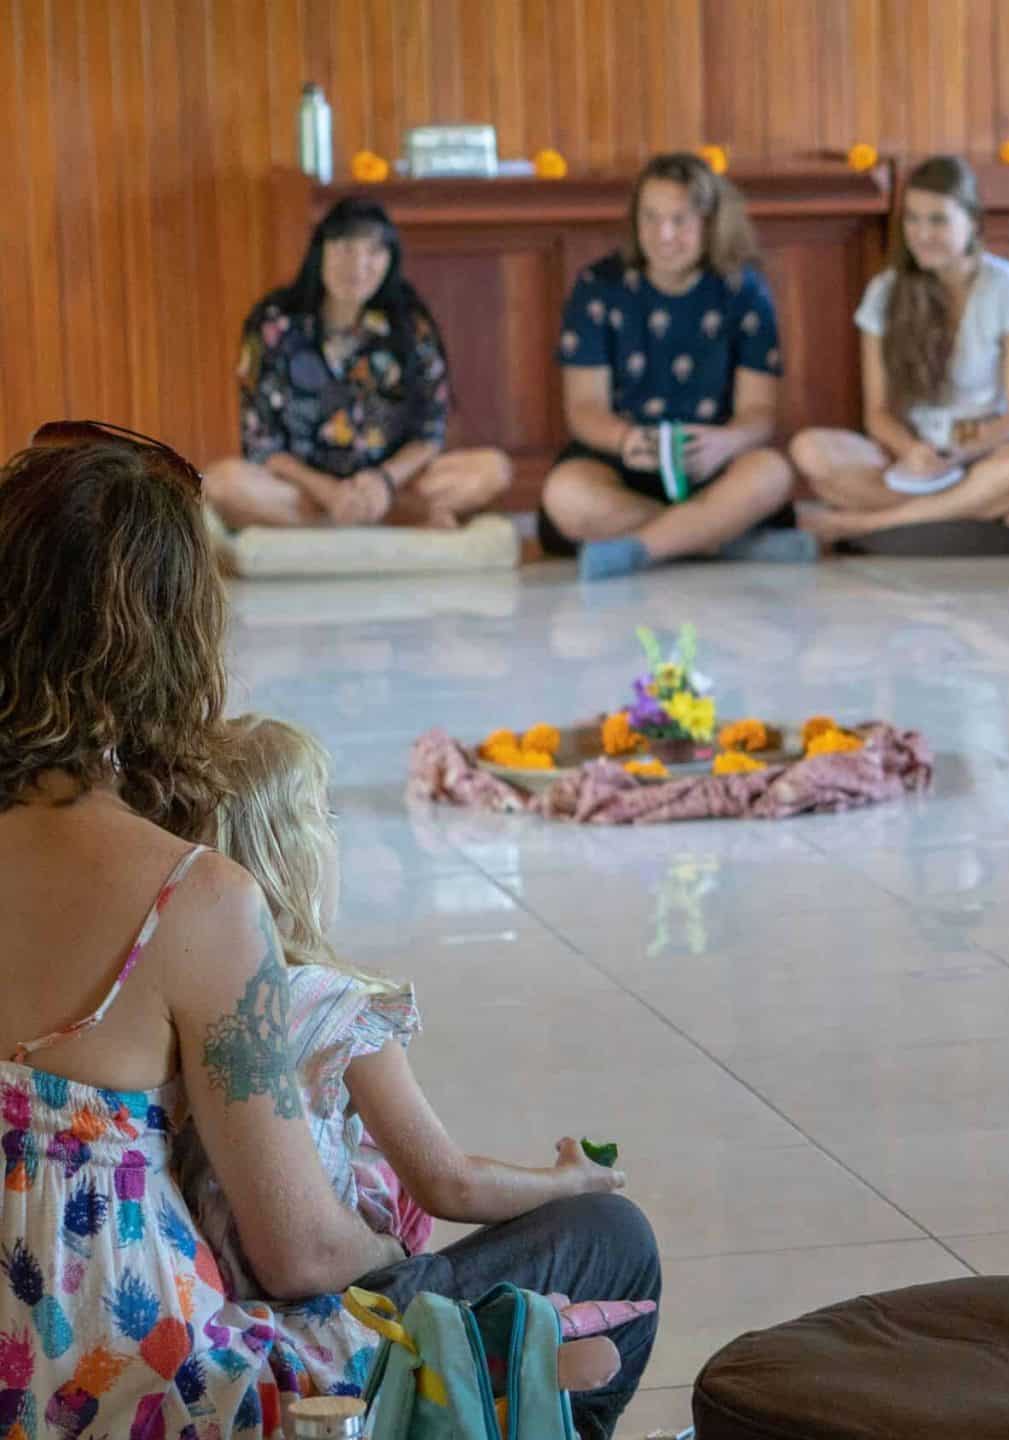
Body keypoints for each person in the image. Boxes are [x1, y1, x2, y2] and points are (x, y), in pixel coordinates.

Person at [0, 425, 661, 1439]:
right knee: (604, 1243)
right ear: (172, 639)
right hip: (145, 1398)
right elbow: (298, 1254)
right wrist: (409, 1264)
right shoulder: (189, 897)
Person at [178, 716, 651, 1393]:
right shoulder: (337, 1005)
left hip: (220, 1310)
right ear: (296, 853)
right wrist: (567, 1181)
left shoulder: (181, 996)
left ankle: (511, 1358)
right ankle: (514, 1380)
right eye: (326, 816)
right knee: (611, 1230)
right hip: (337, 1309)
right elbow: (449, 1183)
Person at [540, 152, 811, 581]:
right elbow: (584, 408)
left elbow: (758, 414)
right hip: (625, 462)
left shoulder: (744, 290)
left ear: (708, 223)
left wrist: (725, 442)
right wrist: (626, 440)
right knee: (566, 494)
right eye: (650, 218)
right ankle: (724, 539)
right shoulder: (598, 285)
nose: (663, 235)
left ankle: (643, 547)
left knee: (772, 473)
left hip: (713, 463)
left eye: (680, 220)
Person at [792, 156, 1009, 543]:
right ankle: (976, 508)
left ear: (973, 223)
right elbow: (878, 413)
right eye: (912, 220)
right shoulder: (885, 292)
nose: (922, 234)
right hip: (913, 458)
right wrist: (914, 452)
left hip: (984, 452)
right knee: (810, 450)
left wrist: (961, 456)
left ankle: (864, 524)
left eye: (938, 220)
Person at [203, 198, 511, 531]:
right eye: (345, 248)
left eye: (374, 251)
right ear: (320, 251)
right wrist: (329, 492)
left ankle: (370, 515)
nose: (358, 264)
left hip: (392, 486)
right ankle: (378, 519)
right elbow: (262, 442)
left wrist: (382, 481)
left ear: (390, 261)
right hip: (305, 491)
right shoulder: (273, 325)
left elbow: (429, 433)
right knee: (221, 483)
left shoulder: (410, 325)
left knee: (494, 469)